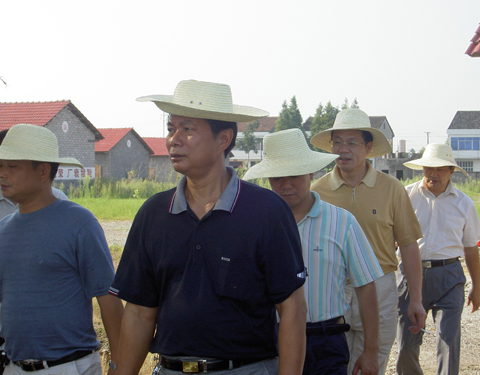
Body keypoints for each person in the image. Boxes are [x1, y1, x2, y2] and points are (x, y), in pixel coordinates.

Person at [110, 80, 308, 375]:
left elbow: (291, 309)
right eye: (171, 128)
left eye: (187, 129)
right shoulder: (154, 214)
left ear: (223, 139)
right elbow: (139, 312)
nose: (173, 140)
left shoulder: (266, 211)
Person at [243, 129, 384, 375]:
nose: (286, 185)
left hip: (326, 341)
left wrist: (371, 350)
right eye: (277, 177)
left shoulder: (342, 222)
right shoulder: (253, 225)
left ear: (310, 172)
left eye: (294, 175)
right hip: (270, 341)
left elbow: (366, 286)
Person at [310, 108, 427, 375]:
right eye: (337, 142)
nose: (343, 149)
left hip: (379, 287)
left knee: (371, 365)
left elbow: (408, 245)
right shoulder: (317, 191)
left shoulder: (391, 188)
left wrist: (416, 299)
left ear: (369, 147)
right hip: (331, 289)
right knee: (333, 362)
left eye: (352, 142)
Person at [0, 124, 124, 375]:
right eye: (0, 165)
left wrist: (118, 365)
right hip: (14, 367)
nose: (3, 174)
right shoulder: (4, 229)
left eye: (12, 167)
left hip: (67, 366)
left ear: (43, 171)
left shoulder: (79, 223)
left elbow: (108, 298)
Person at [396, 143, 480, 375]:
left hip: (450, 277)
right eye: (429, 168)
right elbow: (390, 238)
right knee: (406, 346)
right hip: (410, 277)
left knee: (448, 340)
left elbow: (471, 248)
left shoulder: (463, 203)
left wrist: (477, 286)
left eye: (440, 169)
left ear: (451, 171)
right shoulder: (406, 196)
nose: (433, 174)